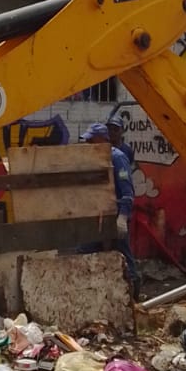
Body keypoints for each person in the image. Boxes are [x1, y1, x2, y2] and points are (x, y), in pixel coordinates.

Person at [81, 122, 138, 292]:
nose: (88, 144)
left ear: (100, 140)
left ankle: (134, 292)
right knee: (87, 253)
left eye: (91, 141)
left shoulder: (117, 158)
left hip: (115, 216)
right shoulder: (95, 158)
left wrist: (122, 217)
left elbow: (127, 190)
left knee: (122, 256)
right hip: (98, 216)